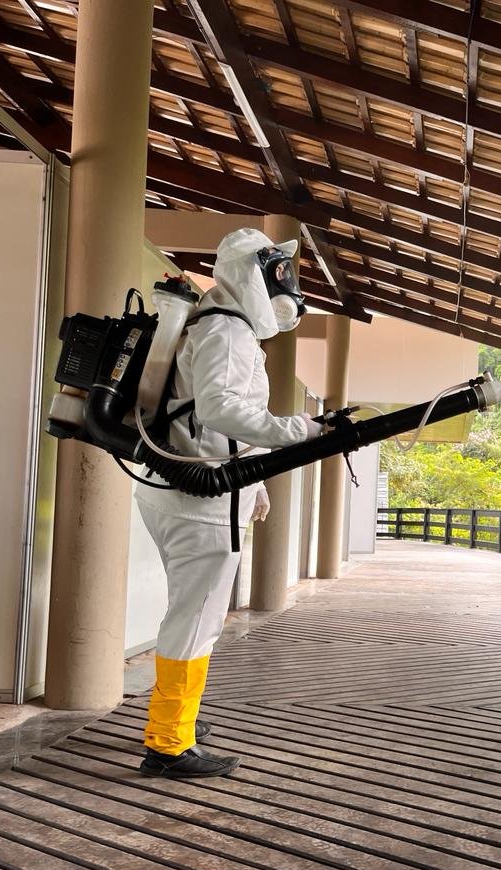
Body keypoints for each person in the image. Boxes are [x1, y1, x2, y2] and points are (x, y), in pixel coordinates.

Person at [134, 227, 320, 778]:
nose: (286, 285)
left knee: (190, 613)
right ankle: (168, 743)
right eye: (277, 273)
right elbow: (218, 409)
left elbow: (205, 414)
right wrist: (301, 428)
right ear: (252, 275)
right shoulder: (229, 329)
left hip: (183, 490)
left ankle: (178, 719)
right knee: (196, 620)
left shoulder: (213, 320)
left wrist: (254, 484)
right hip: (201, 502)